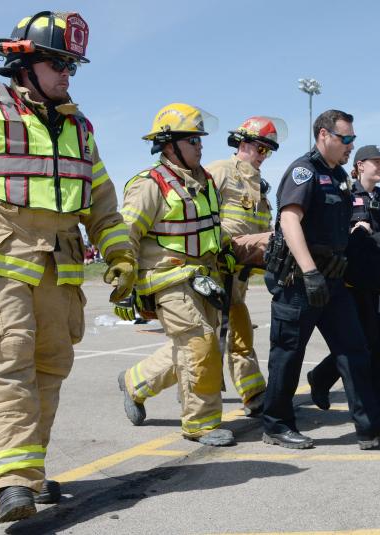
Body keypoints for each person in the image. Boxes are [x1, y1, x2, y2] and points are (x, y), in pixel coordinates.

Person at [0, 11, 134, 523]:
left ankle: (27, 475)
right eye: (58, 64)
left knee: (50, 369)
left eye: (72, 67)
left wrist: (120, 254)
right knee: (6, 366)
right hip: (1, 263)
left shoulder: (79, 127)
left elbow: (102, 201)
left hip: (61, 271)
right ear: (24, 63)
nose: (67, 76)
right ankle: (11, 482)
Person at [262, 109, 380, 450]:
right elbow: (290, 222)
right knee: (288, 353)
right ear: (323, 135)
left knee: (354, 349)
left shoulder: (341, 177)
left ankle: (370, 426)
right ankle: (275, 424)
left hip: (332, 280)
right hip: (299, 281)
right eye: (345, 139)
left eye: (352, 140)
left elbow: (345, 231)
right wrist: (309, 272)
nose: (349, 145)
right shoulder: (305, 171)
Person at [116, 103, 238, 449]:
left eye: (199, 140)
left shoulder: (206, 182)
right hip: (168, 278)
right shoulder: (149, 185)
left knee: (193, 348)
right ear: (169, 146)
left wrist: (225, 249)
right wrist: (125, 287)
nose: (200, 146)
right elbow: (126, 235)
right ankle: (200, 423)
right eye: (193, 141)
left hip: (205, 276)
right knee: (199, 342)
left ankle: (135, 382)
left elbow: (213, 226)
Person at [307, 145, 380, 416]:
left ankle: (379, 410)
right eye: (376, 162)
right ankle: (322, 377)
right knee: (358, 342)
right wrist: (369, 235)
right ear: (360, 165)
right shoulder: (345, 194)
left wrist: (374, 236)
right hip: (352, 280)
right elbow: (339, 232)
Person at [204, 116, 283, 416]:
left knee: (238, 330)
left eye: (268, 153)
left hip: (237, 275)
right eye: (261, 150)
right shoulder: (218, 172)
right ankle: (137, 383)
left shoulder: (260, 188)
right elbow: (199, 218)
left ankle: (253, 393)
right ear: (245, 143)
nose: (264, 157)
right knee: (201, 341)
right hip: (212, 271)